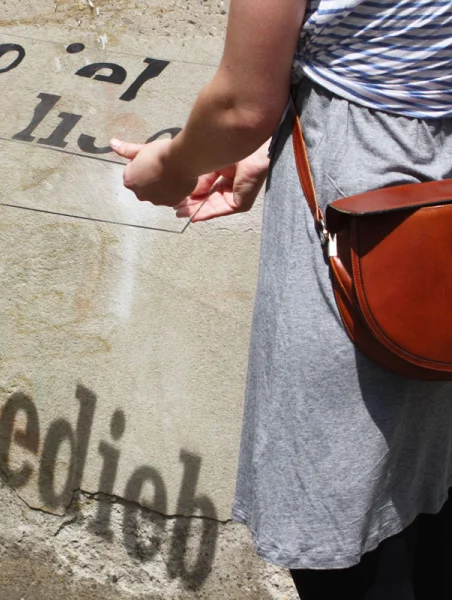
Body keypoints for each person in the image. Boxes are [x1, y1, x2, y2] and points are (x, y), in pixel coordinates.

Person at [112, 0, 452, 597]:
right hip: (411, 184)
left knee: (344, 492)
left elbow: (241, 107)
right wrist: (274, 146)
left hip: (367, 203)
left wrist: (170, 165)